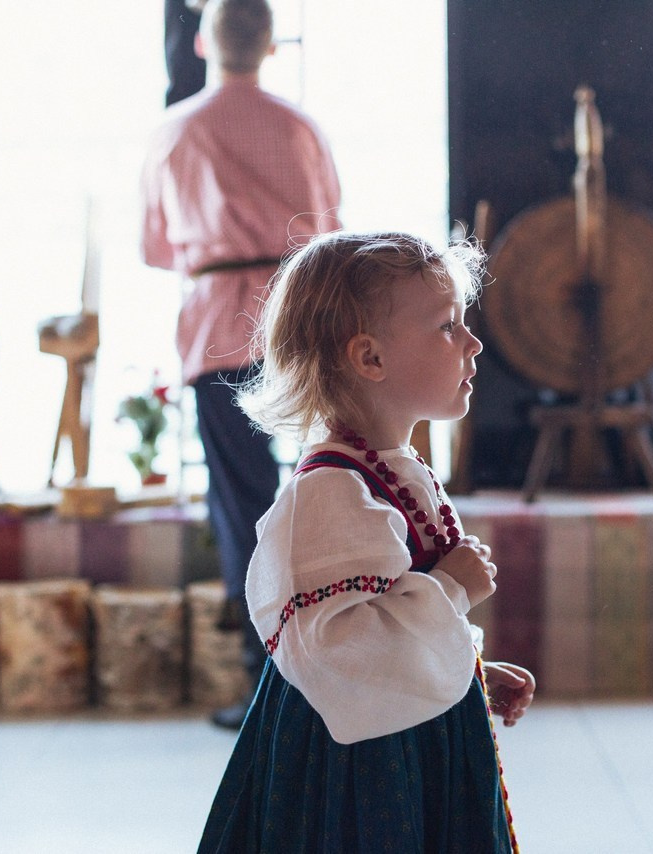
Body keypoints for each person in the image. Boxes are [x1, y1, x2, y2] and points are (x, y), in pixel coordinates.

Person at [197, 231, 535, 852]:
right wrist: (453, 588)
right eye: (446, 326)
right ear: (369, 358)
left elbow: (391, 624)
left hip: (411, 733)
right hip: (358, 767)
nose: (473, 343)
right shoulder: (329, 495)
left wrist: (466, 672)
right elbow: (336, 647)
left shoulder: (388, 470)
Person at [140, 0, 341, 729]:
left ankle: (268, 684)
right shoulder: (300, 128)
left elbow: (156, 248)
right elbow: (333, 232)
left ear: (202, 42)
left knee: (244, 506)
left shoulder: (174, 132)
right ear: (270, 47)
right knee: (327, 493)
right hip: (301, 324)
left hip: (219, 326)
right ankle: (328, 669)